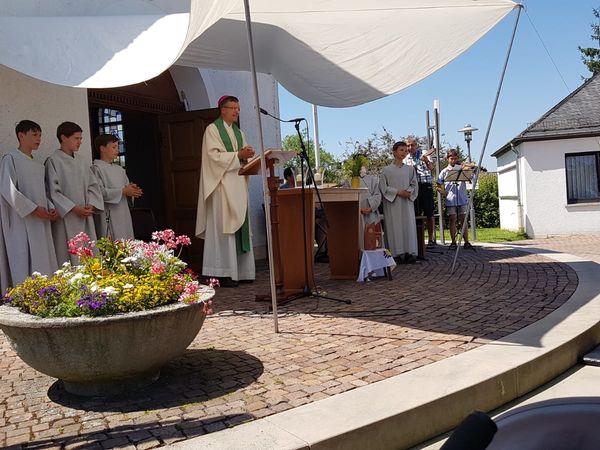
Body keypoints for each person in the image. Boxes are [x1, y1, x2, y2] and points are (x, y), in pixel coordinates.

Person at [195, 95, 255, 287]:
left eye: (238, 108)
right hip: (221, 187)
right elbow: (213, 157)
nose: (237, 111)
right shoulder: (212, 130)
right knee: (224, 229)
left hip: (237, 187)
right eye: (233, 108)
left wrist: (247, 157)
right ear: (223, 109)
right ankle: (222, 273)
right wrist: (238, 155)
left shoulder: (239, 133)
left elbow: (241, 158)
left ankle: (242, 272)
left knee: (238, 227)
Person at [0, 120, 59, 293]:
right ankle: (25, 296)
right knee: (23, 257)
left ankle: (44, 293)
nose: (38, 139)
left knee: (42, 257)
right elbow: (7, 189)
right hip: (22, 220)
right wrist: (33, 209)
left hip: (41, 220)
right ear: (21, 135)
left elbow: (42, 191)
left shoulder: (38, 164)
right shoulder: (11, 159)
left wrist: (49, 207)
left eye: (40, 135)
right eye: (34, 134)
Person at [45, 121, 104, 265]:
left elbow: (93, 185)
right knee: (67, 256)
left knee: (88, 256)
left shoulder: (82, 161)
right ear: (64, 137)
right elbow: (52, 191)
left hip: (85, 215)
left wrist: (91, 204)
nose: (80, 142)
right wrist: (74, 208)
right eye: (76, 138)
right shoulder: (53, 161)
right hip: (67, 217)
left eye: (81, 138)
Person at [91, 134, 142, 240]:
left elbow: (126, 190)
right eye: (113, 147)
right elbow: (99, 192)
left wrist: (132, 191)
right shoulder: (96, 168)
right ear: (102, 148)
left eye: (117, 147)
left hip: (123, 213)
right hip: (108, 213)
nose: (117, 150)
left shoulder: (120, 170)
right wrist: (123, 191)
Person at [380, 141, 418, 263]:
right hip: (393, 203)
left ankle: (409, 252)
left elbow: (414, 184)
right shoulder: (386, 170)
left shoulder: (410, 169)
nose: (404, 152)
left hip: (406, 203)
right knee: (393, 226)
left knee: (408, 225)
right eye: (401, 150)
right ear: (394, 152)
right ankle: (395, 254)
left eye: (405, 150)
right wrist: (397, 192)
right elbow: (383, 187)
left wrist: (408, 192)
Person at [437, 149, 473, 250]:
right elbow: (438, 185)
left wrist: (466, 166)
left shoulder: (462, 169)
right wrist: (443, 192)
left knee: (464, 220)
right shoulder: (444, 171)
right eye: (451, 158)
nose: (453, 160)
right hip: (450, 198)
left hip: (462, 198)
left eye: (455, 158)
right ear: (447, 159)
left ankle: (466, 242)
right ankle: (453, 242)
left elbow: (472, 171)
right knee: (452, 219)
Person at [404, 137, 436, 248]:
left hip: (425, 186)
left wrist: (426, 160)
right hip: (413, 188)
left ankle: (431, 239)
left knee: (429, 213)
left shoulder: (423, 154)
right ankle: (417, 239)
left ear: (416, 145)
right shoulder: (405, 159)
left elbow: (431, 168)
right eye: (408, 145)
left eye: (412, 145)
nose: (410, 147)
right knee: (415, 214)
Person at [358, 164, 382, 250]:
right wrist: (357, 208)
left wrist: (371, 207)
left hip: (371, 213)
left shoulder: (373, 179)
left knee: (373, 240)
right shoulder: (349, 180)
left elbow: (378, 195)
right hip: (356, 214)